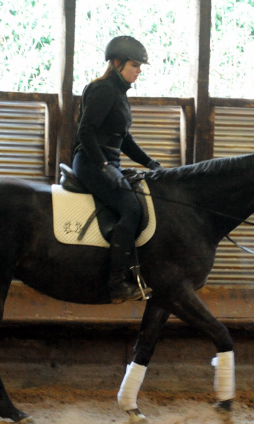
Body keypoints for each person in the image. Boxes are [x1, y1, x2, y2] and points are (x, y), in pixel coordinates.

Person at [72, 35, 163, 304]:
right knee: (131, 209)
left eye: (140, 66)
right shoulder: (103, 90)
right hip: (90, 161)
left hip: (108, 162)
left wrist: (151, 163)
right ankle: (117, 284)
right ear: (116, 63)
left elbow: (124, 139)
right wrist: (103, 165)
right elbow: (85, 131)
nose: (139, 70)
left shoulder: (120, 93)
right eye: (135, 65)